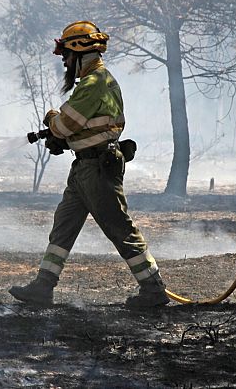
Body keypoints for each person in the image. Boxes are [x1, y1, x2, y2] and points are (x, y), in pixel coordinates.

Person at [9, 20, 170, 308]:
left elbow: (64, 124)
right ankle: (43, 287)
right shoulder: (95, 83)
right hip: (84, 168)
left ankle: (153, 288)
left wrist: (51, 120)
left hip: (98, 170)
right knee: (64, 224)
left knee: (119, 228)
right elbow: (85, 128)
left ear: (80, 53)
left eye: (67, 57)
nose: (66, 64)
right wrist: (68, 140)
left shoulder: (95, 83)